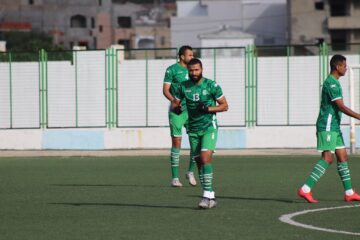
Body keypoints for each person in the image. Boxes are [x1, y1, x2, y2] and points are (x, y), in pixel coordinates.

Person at [298, 54, 360, 203]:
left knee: (343, 157)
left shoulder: (335, 82)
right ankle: (305, 189)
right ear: (337, 67)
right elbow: (341, 106)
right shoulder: (331, 83)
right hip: (327, 125)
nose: (346, 68)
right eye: (344, 66)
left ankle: (349, 192)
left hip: (334, 127)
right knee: (327, 158)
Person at [173, 58, 228, 209]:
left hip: (209, 127)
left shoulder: (211, 85)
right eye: (191, 70)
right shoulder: (183, 87)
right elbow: (175, 104)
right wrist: (176, 109)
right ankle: (209, 196)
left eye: (196, 70)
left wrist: (208, 109)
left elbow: (224, 106)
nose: (194, 73)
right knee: (198, 162)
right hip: (193, 129)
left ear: (201, 69)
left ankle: (206, 195)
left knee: (205, 158)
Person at [163, 45, 197, 187]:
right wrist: (174, 102)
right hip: (177, 111)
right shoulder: (172, 70)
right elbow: (165, 90)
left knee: (195, 142)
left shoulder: (194, 70)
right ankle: (175, 178)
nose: (192, 57)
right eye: (189, 55)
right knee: (177, 142)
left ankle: (190, 172)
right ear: (182, 56)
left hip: (192, 111)